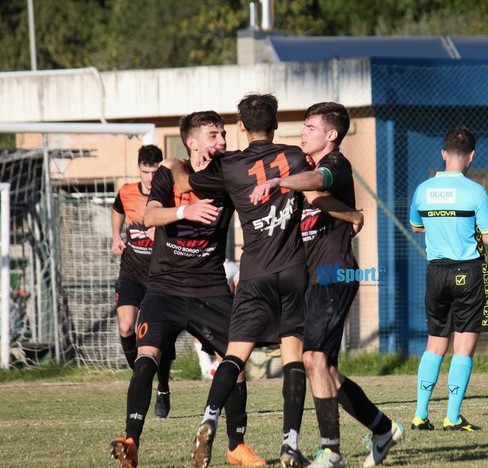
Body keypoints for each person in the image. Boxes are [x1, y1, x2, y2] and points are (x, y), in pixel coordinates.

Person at [166, 93, 360, 468]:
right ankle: (290, 445)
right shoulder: (295, 157)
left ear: (240, 126)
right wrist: (350, 214)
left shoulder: (228, 164)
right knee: (293, 356)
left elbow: (188, 181)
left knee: (235, 354)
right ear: (275, 124)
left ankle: (209, 418)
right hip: (292, 271)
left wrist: (174, 164)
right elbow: (317, 192)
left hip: (253, 273)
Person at [250, 102, 403, 468]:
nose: (302, 132)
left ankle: (331, 452)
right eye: (303, 126)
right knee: (327, 371)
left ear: (331, 135)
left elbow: (319, 185)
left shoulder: (335, 165)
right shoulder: (306, 171)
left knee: (312, 357)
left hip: (334, 275)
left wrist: (278, 180)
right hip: (312, 280)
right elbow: (317, 196)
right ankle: (382, 429)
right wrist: (350, 213)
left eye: (310, 127)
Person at [110, 111, 264, 468]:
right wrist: (186, 210)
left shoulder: (229, 171)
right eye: (213, 135)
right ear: (192, 142)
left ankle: (236, 446)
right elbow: (149, 217)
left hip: (209, 287)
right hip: (164, 288)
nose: (222, 142)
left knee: (237, 363)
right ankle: (131, 441)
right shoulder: (168, 173)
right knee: (147, 356)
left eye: (224, 134)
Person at [408, 127, 488, 432]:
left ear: (443, 154)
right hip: (468, 272)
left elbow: (417, 226)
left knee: (435, 344)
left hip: (435, 273)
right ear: (471, 156)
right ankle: (452, 417)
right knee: (463, 347)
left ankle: (420, 415)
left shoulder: (423, 189)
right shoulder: (475, 191)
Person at [111, 144, 175, 419]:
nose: (150, 178)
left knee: (157, 340)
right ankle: (141, 378)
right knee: (126, 326)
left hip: (161, 276)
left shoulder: (169, 195)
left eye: (154, 171)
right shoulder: (127, 192)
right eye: (144, 171)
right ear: (139, 169)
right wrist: (116, 235)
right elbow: (117, 210)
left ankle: (162, 387)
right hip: (132, 273)